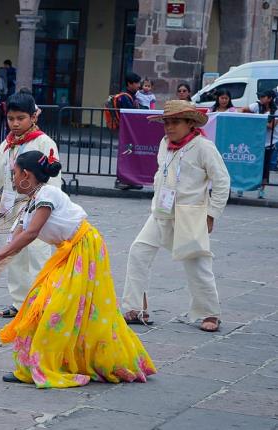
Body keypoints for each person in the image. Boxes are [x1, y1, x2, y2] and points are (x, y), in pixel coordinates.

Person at [0, 150, 156, 388]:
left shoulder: (47, 194)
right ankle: (37, 363)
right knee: (42, 302)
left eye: (14, 173)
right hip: (69, 252)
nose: (13, 179)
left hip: (84, 249)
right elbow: (15, 240)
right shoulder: (29, 203)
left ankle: (45, 364)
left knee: (55, 309)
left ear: (26, 174)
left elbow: (31, 233)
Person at [121, 101, 230, 332]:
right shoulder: (165, 144)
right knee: (139, 251)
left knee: (197, 262)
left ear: (190, 124)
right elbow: (162, 173)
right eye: (167, 122)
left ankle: (210, 313)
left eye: (175, 122)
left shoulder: (204, 147)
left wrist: (211, 214)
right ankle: (136, 306)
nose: (169, 127)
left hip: (190, 213)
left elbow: (222, 181)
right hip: (161, 210)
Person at [0, 93, 60, 318]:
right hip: (12, 212)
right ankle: (21, 305)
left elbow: (53, 182)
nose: (15, 123)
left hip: (37, 211)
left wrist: (44, 210)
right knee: (16, 259)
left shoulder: (44, 142)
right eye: (11, 119)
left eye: (21, 118)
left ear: (33, 117)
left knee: (38, 257)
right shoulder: (7, 145)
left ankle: (44, 305)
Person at [240, 89, 277, 199]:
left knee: (265, 167)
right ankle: (242, 187)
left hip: (269, 143)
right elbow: (242, 110)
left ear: (270, 98)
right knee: (248, 164)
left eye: (263, 97)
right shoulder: (256, 106)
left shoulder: (276, 111)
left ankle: (261, 190)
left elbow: (271, 126)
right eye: (260, 96)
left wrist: (256, 121)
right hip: (254, 142)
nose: (260, 99)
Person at [114, 72, 142, 191]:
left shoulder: (131, 96)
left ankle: (130, 180)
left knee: (130, 155)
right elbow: (130, 115)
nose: (139, 85)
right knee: (126, 155)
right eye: (137, 83)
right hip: (126, 133)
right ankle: (121, 180)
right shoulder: (125, 97)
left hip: (130, 132)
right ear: (129, 84)